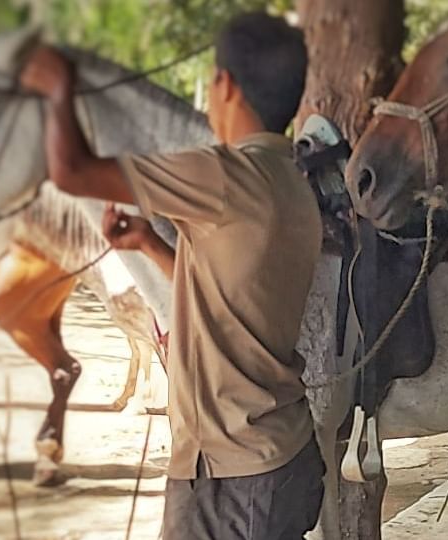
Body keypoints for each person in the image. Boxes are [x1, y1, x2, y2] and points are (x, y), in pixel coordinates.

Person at [20, 12, 324, 540]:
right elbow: (224, 295)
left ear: (224, 85)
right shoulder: (292, 182)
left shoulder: (224, 173)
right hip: (282, 455)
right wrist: (148, 244)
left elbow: (71, 170)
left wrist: (58, 86)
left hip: (231, 477)